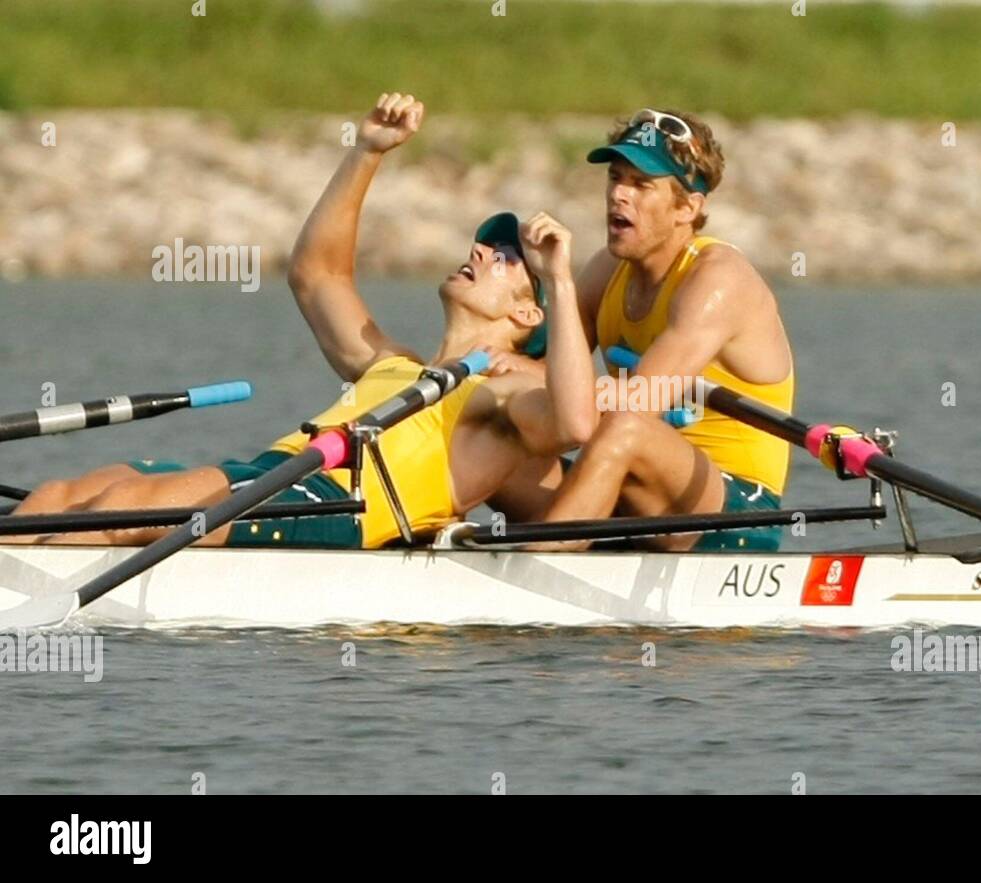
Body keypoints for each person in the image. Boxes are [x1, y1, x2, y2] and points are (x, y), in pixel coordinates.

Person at [5, 94, 580, 550]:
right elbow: (316, 275)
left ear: (528, 313)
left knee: (120, 509)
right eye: (486, 246)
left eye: (506, 258)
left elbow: (574, 425)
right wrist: (368, 152)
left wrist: (559, 277)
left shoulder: (508, 392)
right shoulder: (393, 365)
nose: (481, 253)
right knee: (67, 492)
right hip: (276, 475)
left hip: (337, 505)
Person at [532, 108, 796, 551]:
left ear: (688, 208)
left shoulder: (719, 280)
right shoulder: (607, 269)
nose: (619, 195)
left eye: (641, 185)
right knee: (503, 425)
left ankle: (534, 567)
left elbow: (637, 403)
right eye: (615, 178)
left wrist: (528, 384)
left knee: (625, 425)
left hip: (735, 512)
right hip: (640, 493)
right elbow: (536, 367)